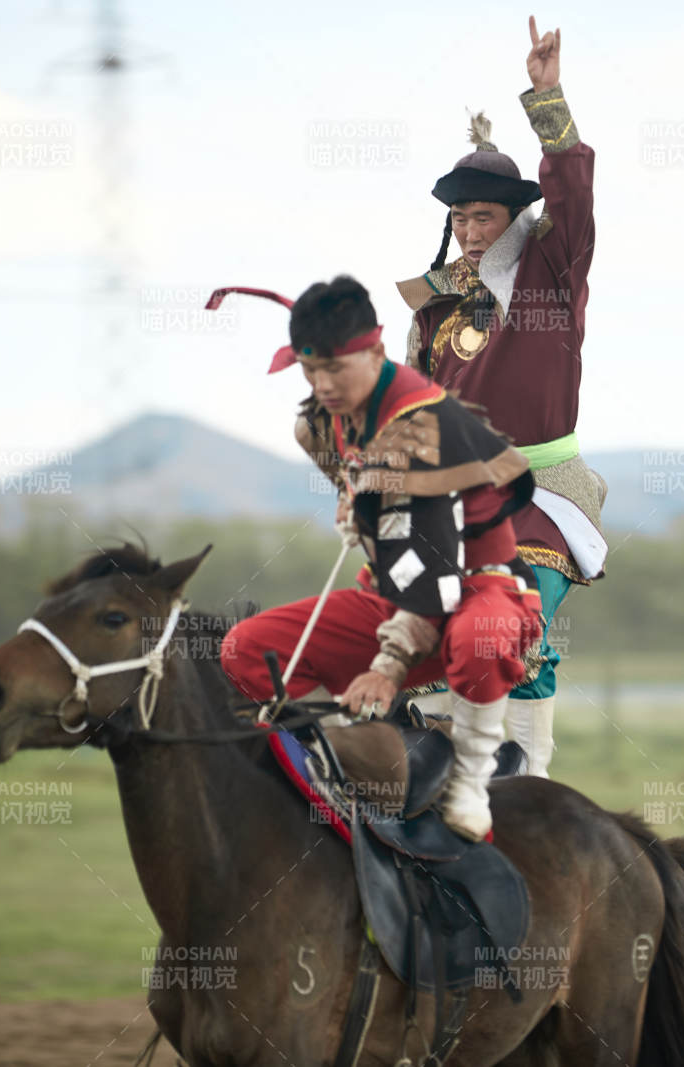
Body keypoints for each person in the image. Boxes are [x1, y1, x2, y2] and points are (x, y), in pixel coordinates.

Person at [210, 275, 545, 841]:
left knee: (479, 636)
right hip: (388, 592)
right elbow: (389, 542)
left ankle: (469, 778)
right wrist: (360, 508)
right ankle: (364, 753)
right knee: (247, 650)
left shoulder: (423, 430)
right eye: (310, 371)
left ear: (377, 351)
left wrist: (386, 669)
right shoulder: (320, 423)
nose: (322, 385)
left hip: (479, 591)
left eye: (335, 369)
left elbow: (434, 575)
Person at [395, 15, 605, 779]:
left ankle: (532, 783)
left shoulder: (551, 272)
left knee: (519, 616)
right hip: (454, 499)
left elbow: (573, 196)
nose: (469, 230)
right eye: (459, 217)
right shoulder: (434, 309)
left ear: (512, 217)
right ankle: (436, 768)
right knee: (409, 626)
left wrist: (547, 101)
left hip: (543, 495)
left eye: (483, 215)